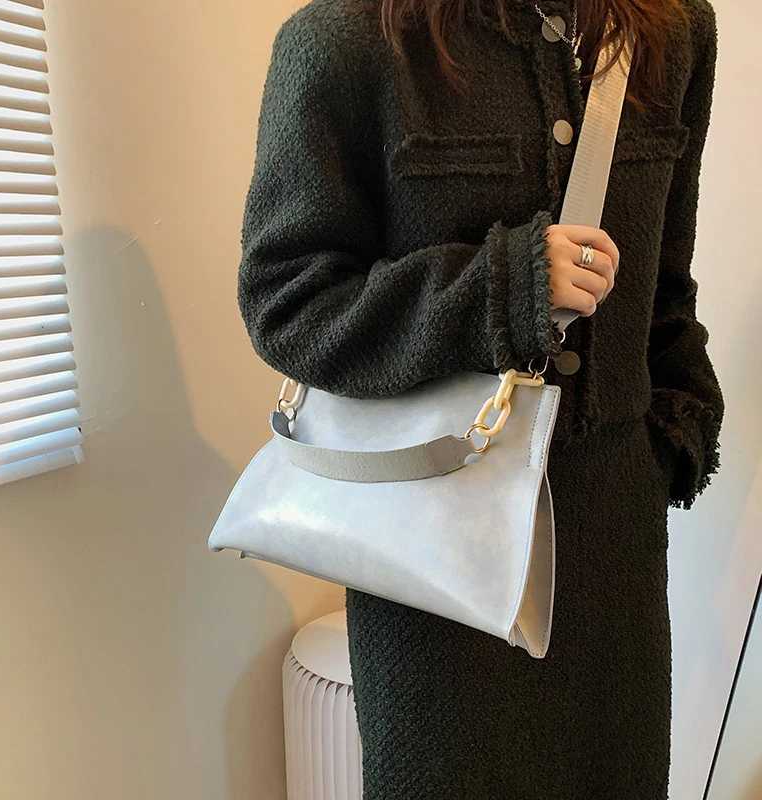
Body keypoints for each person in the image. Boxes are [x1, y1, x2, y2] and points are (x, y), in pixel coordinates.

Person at [236, 0, 725, 796]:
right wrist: (500, 287)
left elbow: (666, 282)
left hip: (616, 560)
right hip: (432, 562)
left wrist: (673, 439)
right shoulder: (347, 39)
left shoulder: (671, 31)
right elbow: (287, 302)